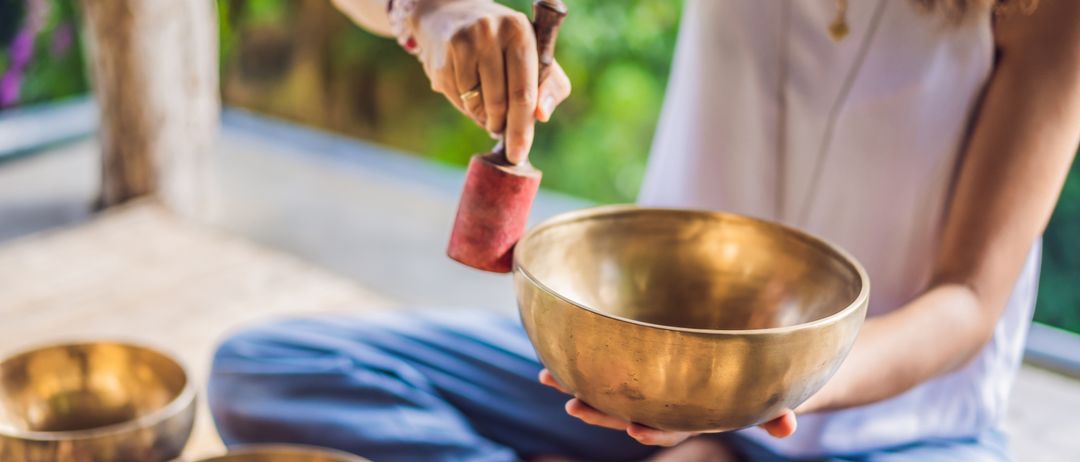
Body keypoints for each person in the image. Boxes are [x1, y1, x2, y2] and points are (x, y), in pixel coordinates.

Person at [206, 0, 1080, 460]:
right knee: (265, 373)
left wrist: (764, 393)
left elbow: (970, 299)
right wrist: (431, 12)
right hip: (642, 382)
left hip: (899, 429)